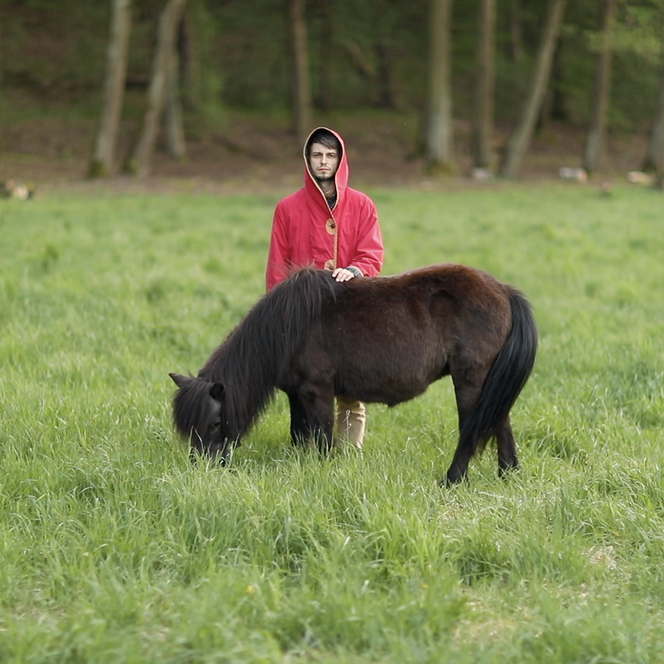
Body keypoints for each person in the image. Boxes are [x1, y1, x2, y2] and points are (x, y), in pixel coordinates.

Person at [266, 127, 384, 450]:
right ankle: (308, 450)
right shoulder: (287, 209)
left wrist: (355, 270)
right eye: (317, 154)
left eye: (330, 155)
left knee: (351, 386)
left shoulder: (362, 205)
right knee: (307, 383)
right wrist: (280, 315)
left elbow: (372, 253)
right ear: (307, 159)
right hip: (306, 316)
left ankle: (347, 455)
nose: (323, 161)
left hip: (351, 309)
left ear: (340, 160)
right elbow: (278, 265)